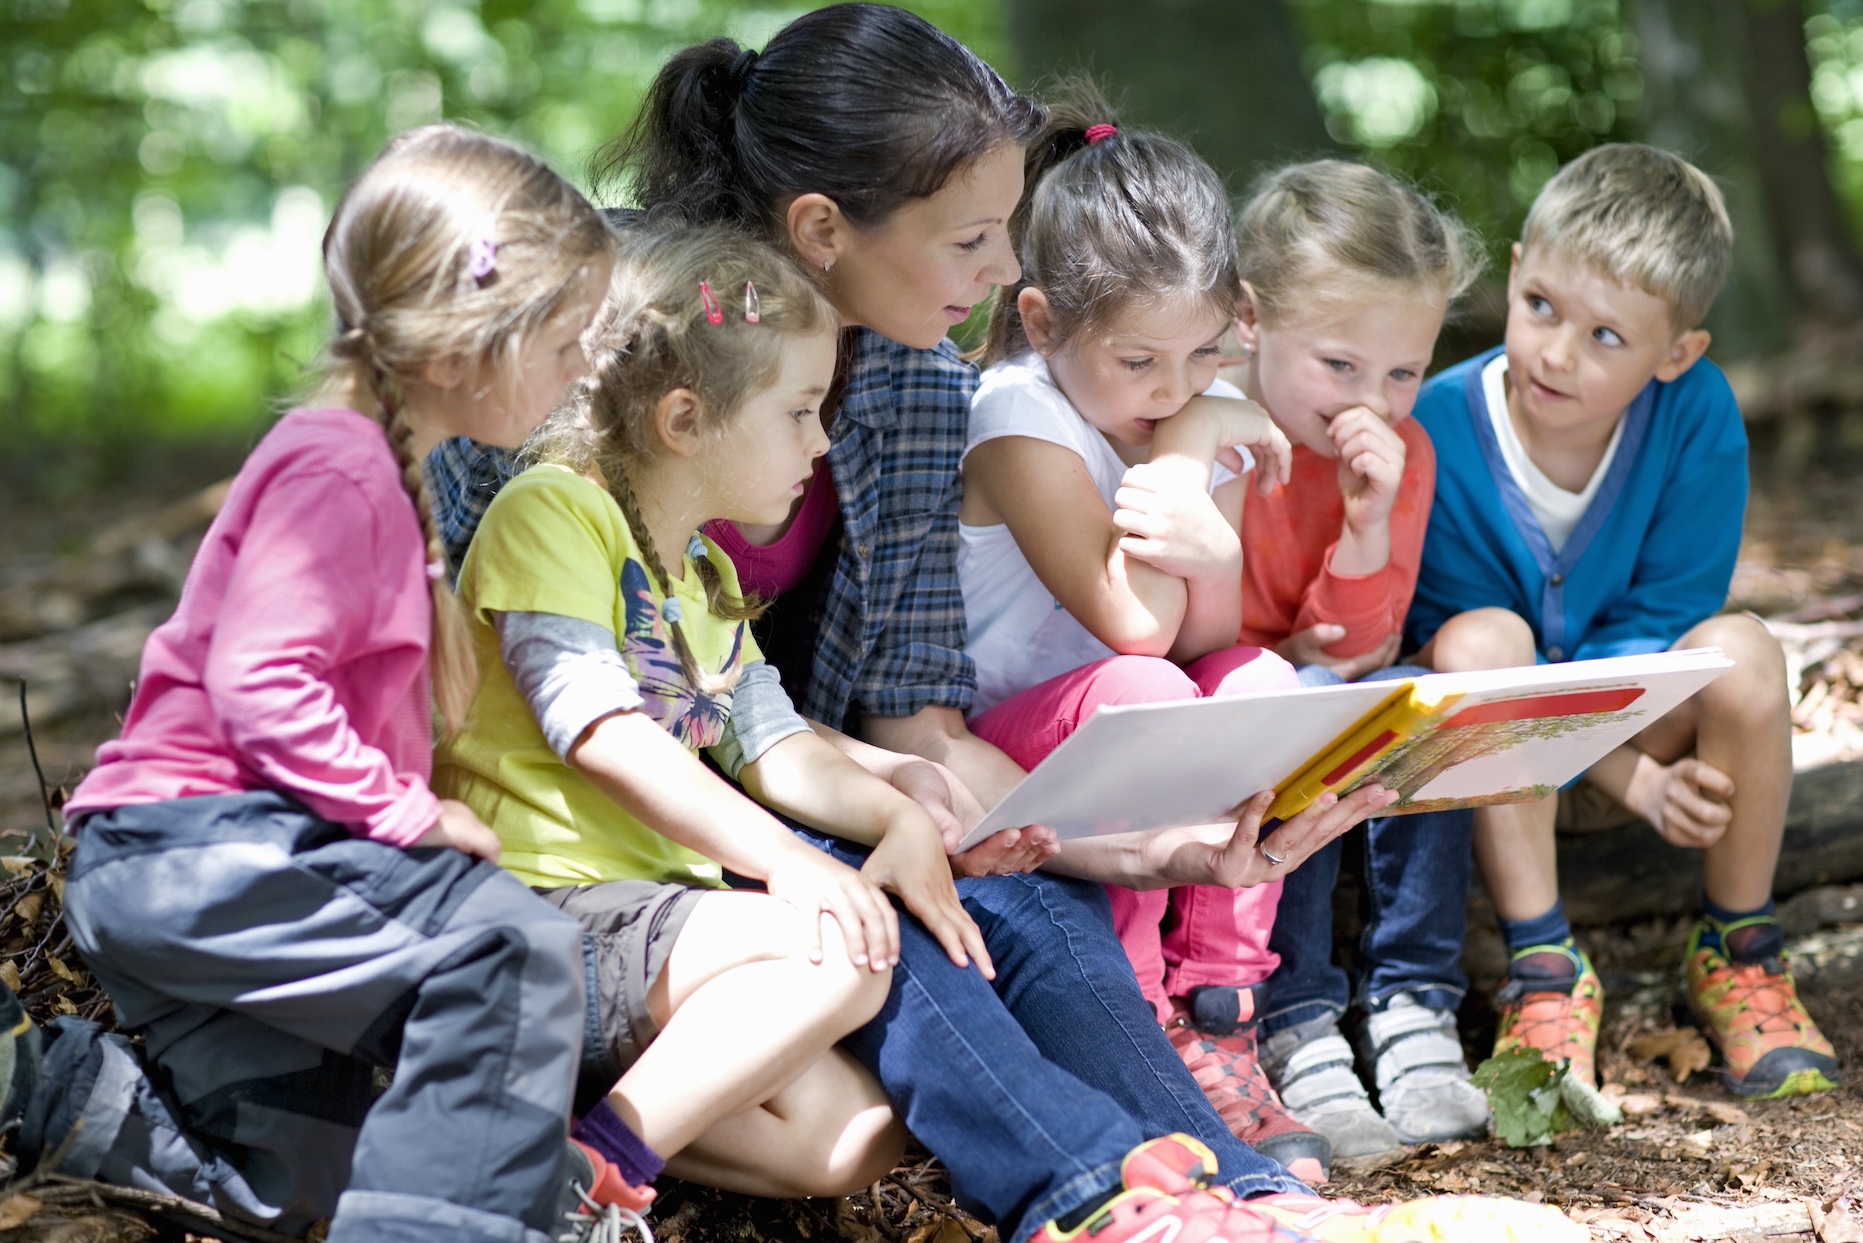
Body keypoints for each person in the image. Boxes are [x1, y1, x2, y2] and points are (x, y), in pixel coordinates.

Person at [426, 9, 1580, 1242]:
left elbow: (895, 713)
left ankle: (1227, 1184)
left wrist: (1135, 845)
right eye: (971, 238)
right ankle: (1092, 1198)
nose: (997, 275)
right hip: (603, 846)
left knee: (991, 918)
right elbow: (539, 709)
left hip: (797, 780)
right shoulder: (588, 364)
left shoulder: (918, 384)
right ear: (822, 230)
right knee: (888, 932)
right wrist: (852, 832)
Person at [0, 125, 633, 1243]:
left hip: (208, 867)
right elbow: (261, 681)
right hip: (194, 844)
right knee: (506, 950)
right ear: (456, 346)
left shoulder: (388, 467)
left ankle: (39, 1081)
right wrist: (405, 816)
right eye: (565, 338)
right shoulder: (337, 462)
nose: (582, 367)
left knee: (316, 1175)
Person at [435, 224, 993, 1204]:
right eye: (797, 412)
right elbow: (601, 730)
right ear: (685, 420)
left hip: (647, 931)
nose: (821, 443)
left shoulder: (703, 573)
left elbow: (772, 740)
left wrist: (900, 808)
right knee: (838, 945)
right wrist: (793, 861)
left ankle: (543, 1132)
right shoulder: (554, 513)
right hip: (536, 908)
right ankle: (591, 1176)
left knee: (853, 1138)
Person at [1406, 142, 1841, 1102]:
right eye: (1542, 308)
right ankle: (1543, 966)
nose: (1557, 351)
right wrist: (1628, 777)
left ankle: (1739, 945)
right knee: (1480, 637)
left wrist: (1638, 758)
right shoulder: (1437, 424)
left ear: (1676, 353)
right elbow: (1465, 667)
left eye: (1608, 337)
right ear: (1516, 273)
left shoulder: (1695, 417)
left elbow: (1668, 618)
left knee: (1741, 649)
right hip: (1499, 751)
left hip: (1647, 718)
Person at [956, 85, 1335, 1183]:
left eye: (1205, 358)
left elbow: (1204, 631)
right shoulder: (1017, 417)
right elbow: (1133, 628)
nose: (1169, 389)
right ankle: (1131, 1040)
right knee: (1148, 698)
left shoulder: (1177, 404)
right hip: (1012, 739)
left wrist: (1207, 511)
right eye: (1139, 365)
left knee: (1265, 678)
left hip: (1129, 709)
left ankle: (1218, 1011)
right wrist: (1195, 443)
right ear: (1040, 321)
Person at [1217, 162, 1497, 1165]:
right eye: (1339, 366)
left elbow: (1361, 643)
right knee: (1297, 698)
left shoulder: (1400, 455)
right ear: (1249, 318)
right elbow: (1184, 641)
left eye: (1402, 373)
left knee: (1409, 701)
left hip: (1317, 686)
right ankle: (1293, 1018)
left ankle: (1415, 1002)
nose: (1369, 403)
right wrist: (1278, 660)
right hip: (1223, 712)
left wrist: (1370, 527)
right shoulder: (1209, 431)